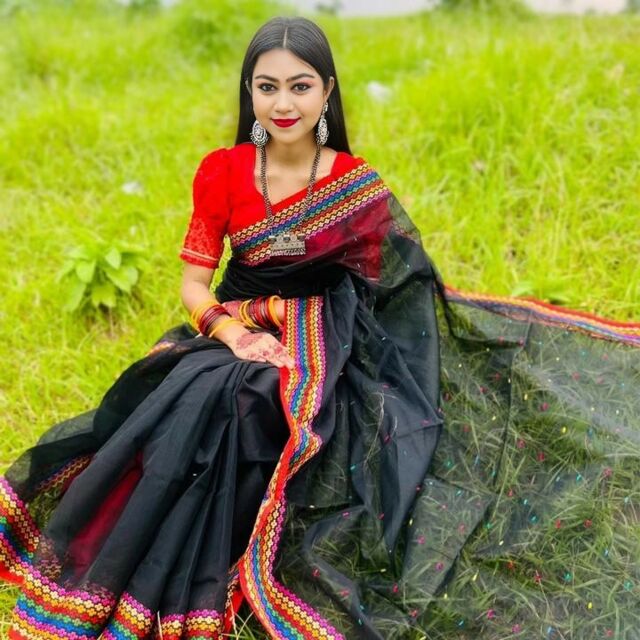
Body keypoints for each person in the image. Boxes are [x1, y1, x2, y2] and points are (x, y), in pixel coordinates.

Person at [1, 15, 639, 640]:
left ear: (327, 91)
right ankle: (148, 560)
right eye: (267, 86)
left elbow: (390, 288)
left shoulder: (352, 183)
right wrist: (239, 332)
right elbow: (195, 285)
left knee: (260, 400)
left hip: (330, 338)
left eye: (300, 86)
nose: (284, 104)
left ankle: (228, 546)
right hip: (234, 330)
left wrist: (321, 335)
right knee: (199, 397)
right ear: (250, 92)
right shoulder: (223, 172)